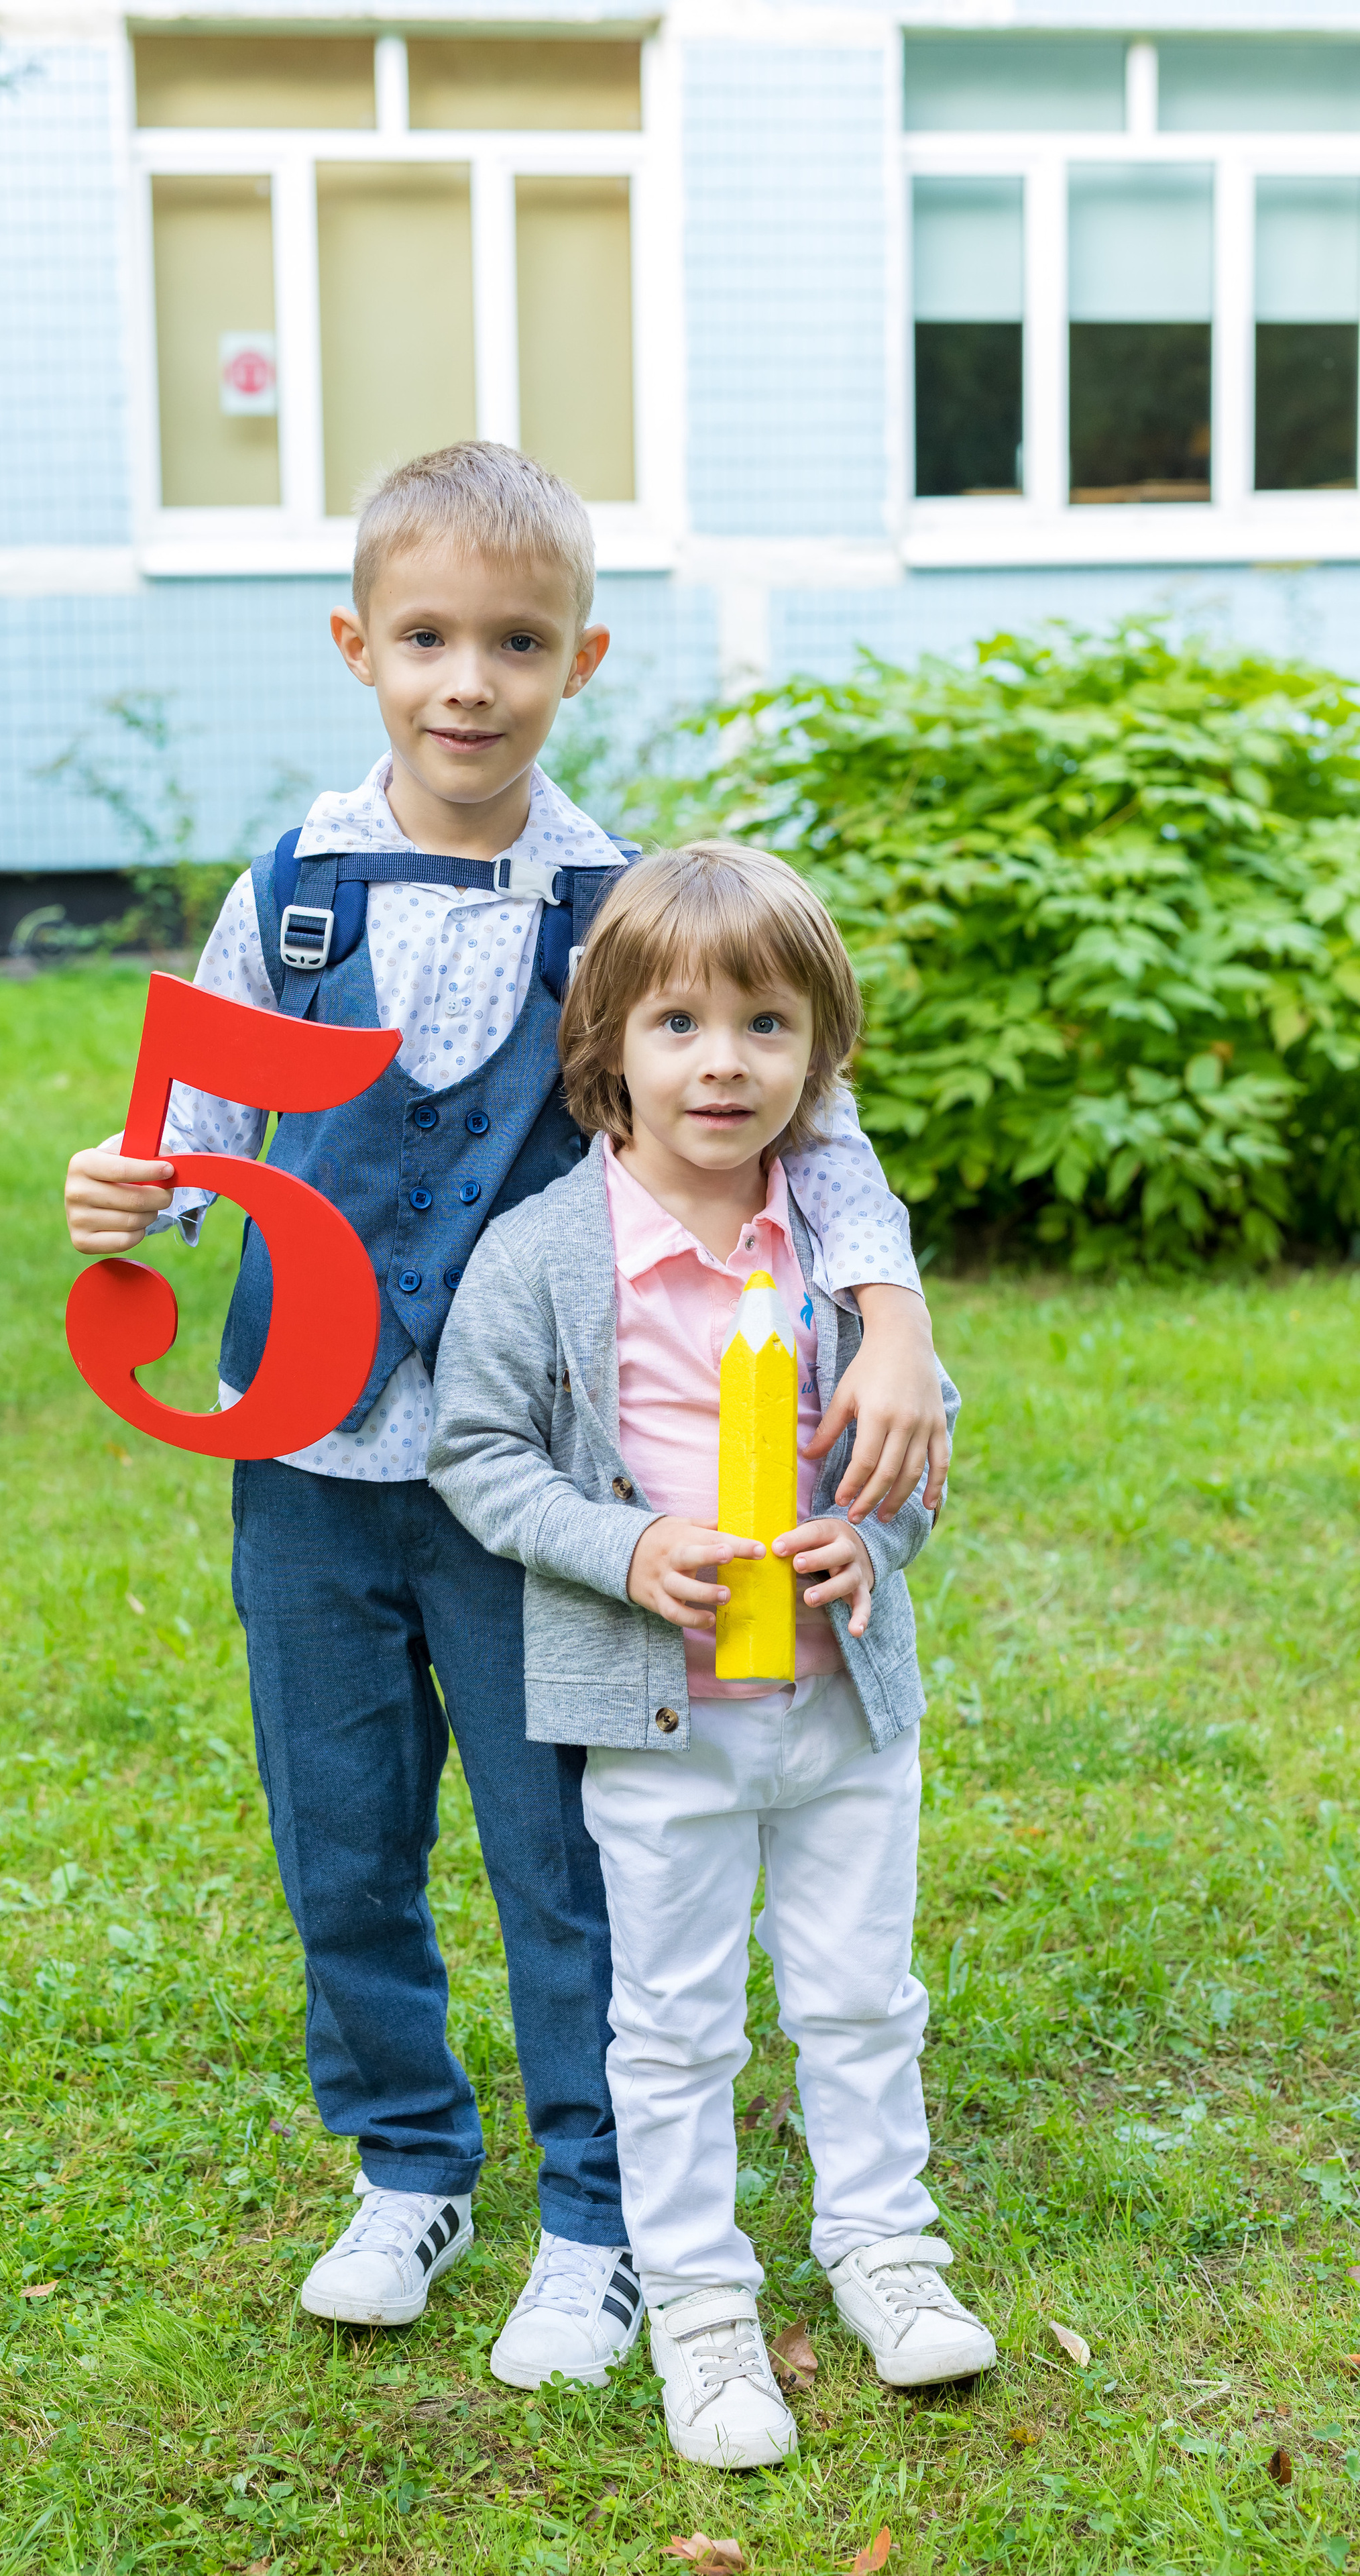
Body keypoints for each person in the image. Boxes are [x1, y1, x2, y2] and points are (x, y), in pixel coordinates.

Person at [63, 445, 951, 2394]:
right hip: (302, 1461)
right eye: (430, 641)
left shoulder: (610, 899)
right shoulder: (293, 889)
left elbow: (817, 1131)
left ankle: (597, 2213)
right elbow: (199, 1141)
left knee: (567, 1854)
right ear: (358, 648)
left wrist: (885, 1318)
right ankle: (406, 2168)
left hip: (537, 1486)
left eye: (517, 644)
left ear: (581, 660)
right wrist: (128, 1189)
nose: (470, 681)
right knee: (346, 1838)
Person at [428, 841, 996, 2465]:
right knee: (670, 2018)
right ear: (605, 1048)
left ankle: (882, 2244)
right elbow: (477, 1455)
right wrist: (624, 1547)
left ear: (819, 1055)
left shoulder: (833, 1253)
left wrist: (869, 1539)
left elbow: (918, 1437)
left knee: (858, 1994)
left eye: (765, 1025)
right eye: (677, 1025)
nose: (724, 1063)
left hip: (839, 1711)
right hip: (657, 1724)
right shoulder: (548, 1256)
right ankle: (695, 2300)